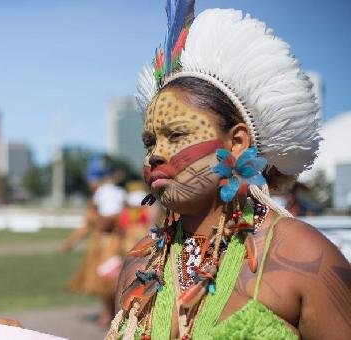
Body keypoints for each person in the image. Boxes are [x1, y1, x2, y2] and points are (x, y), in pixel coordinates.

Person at [105, 1, 351, 339]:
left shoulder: (305, 256)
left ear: (236, 142)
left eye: (176, 135)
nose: (155, 156)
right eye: (150, 142)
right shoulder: (139, 265)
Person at [64, 156, 126, 327]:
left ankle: (109, 314)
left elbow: (95, 222)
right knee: (110, 279)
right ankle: (110, 313)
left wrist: (72, 241)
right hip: (113, 242)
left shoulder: (102, 194)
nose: (89, 183)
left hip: (107, 243)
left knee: (107, 279)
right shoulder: (118, 193)